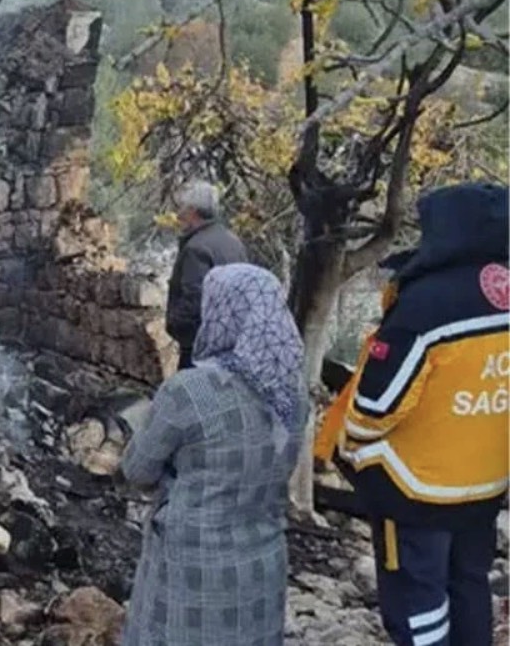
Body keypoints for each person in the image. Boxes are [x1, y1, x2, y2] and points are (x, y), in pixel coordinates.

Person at [333, 182, 509, 646]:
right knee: (470, 585)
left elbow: (375, 407)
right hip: (487, 482)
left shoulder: (425, 304)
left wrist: (349, 446)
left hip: (415, 488)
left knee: (417, 596)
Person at [121, 263, 307, 646]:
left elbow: (136, 469)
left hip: (191, 574)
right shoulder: (293, 393)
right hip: (262, 566)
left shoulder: (190, 390)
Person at [165, 181, 249, 370]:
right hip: (231, 344)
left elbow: (194, 301)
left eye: (181, 208)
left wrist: (176, 327)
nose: (178, 215)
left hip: (200, 347)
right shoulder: (234, 242)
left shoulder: (196, 248)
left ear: (192, 211)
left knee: (191, 396)